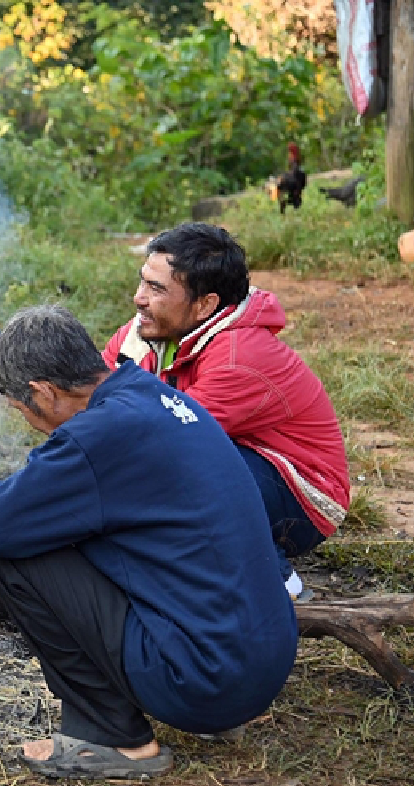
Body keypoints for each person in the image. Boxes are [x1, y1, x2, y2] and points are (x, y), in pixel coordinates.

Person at [0, 305, 298, 780]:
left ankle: (112, 735)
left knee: (19, 560)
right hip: (260, 661)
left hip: (206, 680)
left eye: (22, 410)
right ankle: (205, 712)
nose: (28, 421)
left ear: (44, 392)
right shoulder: (149, 393)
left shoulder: (96, 437)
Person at [102, 222, 350, 600]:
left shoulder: (239, 357)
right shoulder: (148, 329)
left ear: (205, 304)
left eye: (156, 289)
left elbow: (168, 443)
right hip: (232, 457)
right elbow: (96, 399)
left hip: (302, 494)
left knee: (164, 473)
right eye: (143, 282)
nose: (138, 298)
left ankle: (275, 580)